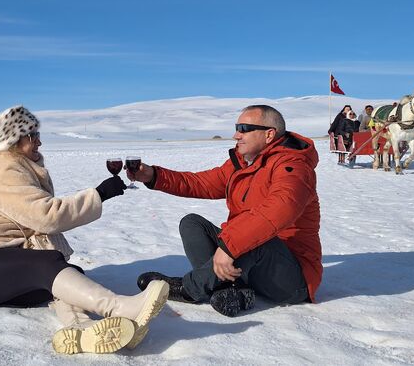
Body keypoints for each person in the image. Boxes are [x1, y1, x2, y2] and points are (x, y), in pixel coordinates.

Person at [0, 105, 169, 355]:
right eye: (32, 135)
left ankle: (81, 328)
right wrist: (99, 194)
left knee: (68, 276)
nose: (39, 141)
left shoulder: (21, 167)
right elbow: (47, 216)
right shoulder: (6, 170)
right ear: (13, 141)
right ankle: (119, 308)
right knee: (45, 265)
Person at [126, 105, 322, 317]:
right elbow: (200, 183)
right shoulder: (244, 163)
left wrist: (230, 247)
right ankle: (231, 290)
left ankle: (189, 289)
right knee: (192, 223)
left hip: (291, 279)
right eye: (237, 128)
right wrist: (154, 176)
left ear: (269, 134)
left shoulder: (294, 166)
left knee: (252, 238)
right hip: (253, 264)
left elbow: (282, 206)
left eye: (244, 128)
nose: (236, 135)